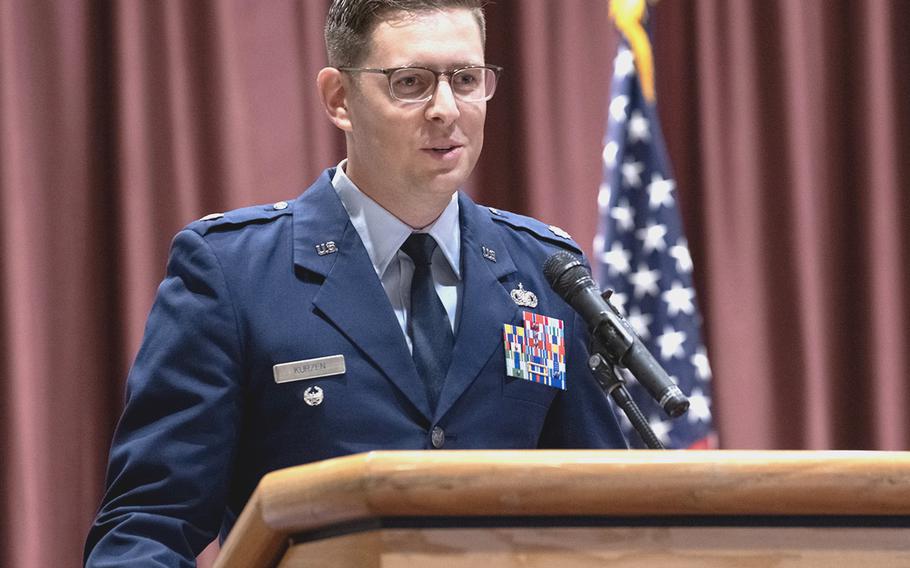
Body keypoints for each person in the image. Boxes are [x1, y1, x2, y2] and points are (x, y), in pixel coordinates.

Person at [84, 0, 627, 565]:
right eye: (410, 83)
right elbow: (148, 526)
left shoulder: (546, 273)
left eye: (466, 79)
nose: (446, 109)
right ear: (339, 99)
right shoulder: (233, 274)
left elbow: (601, 514)